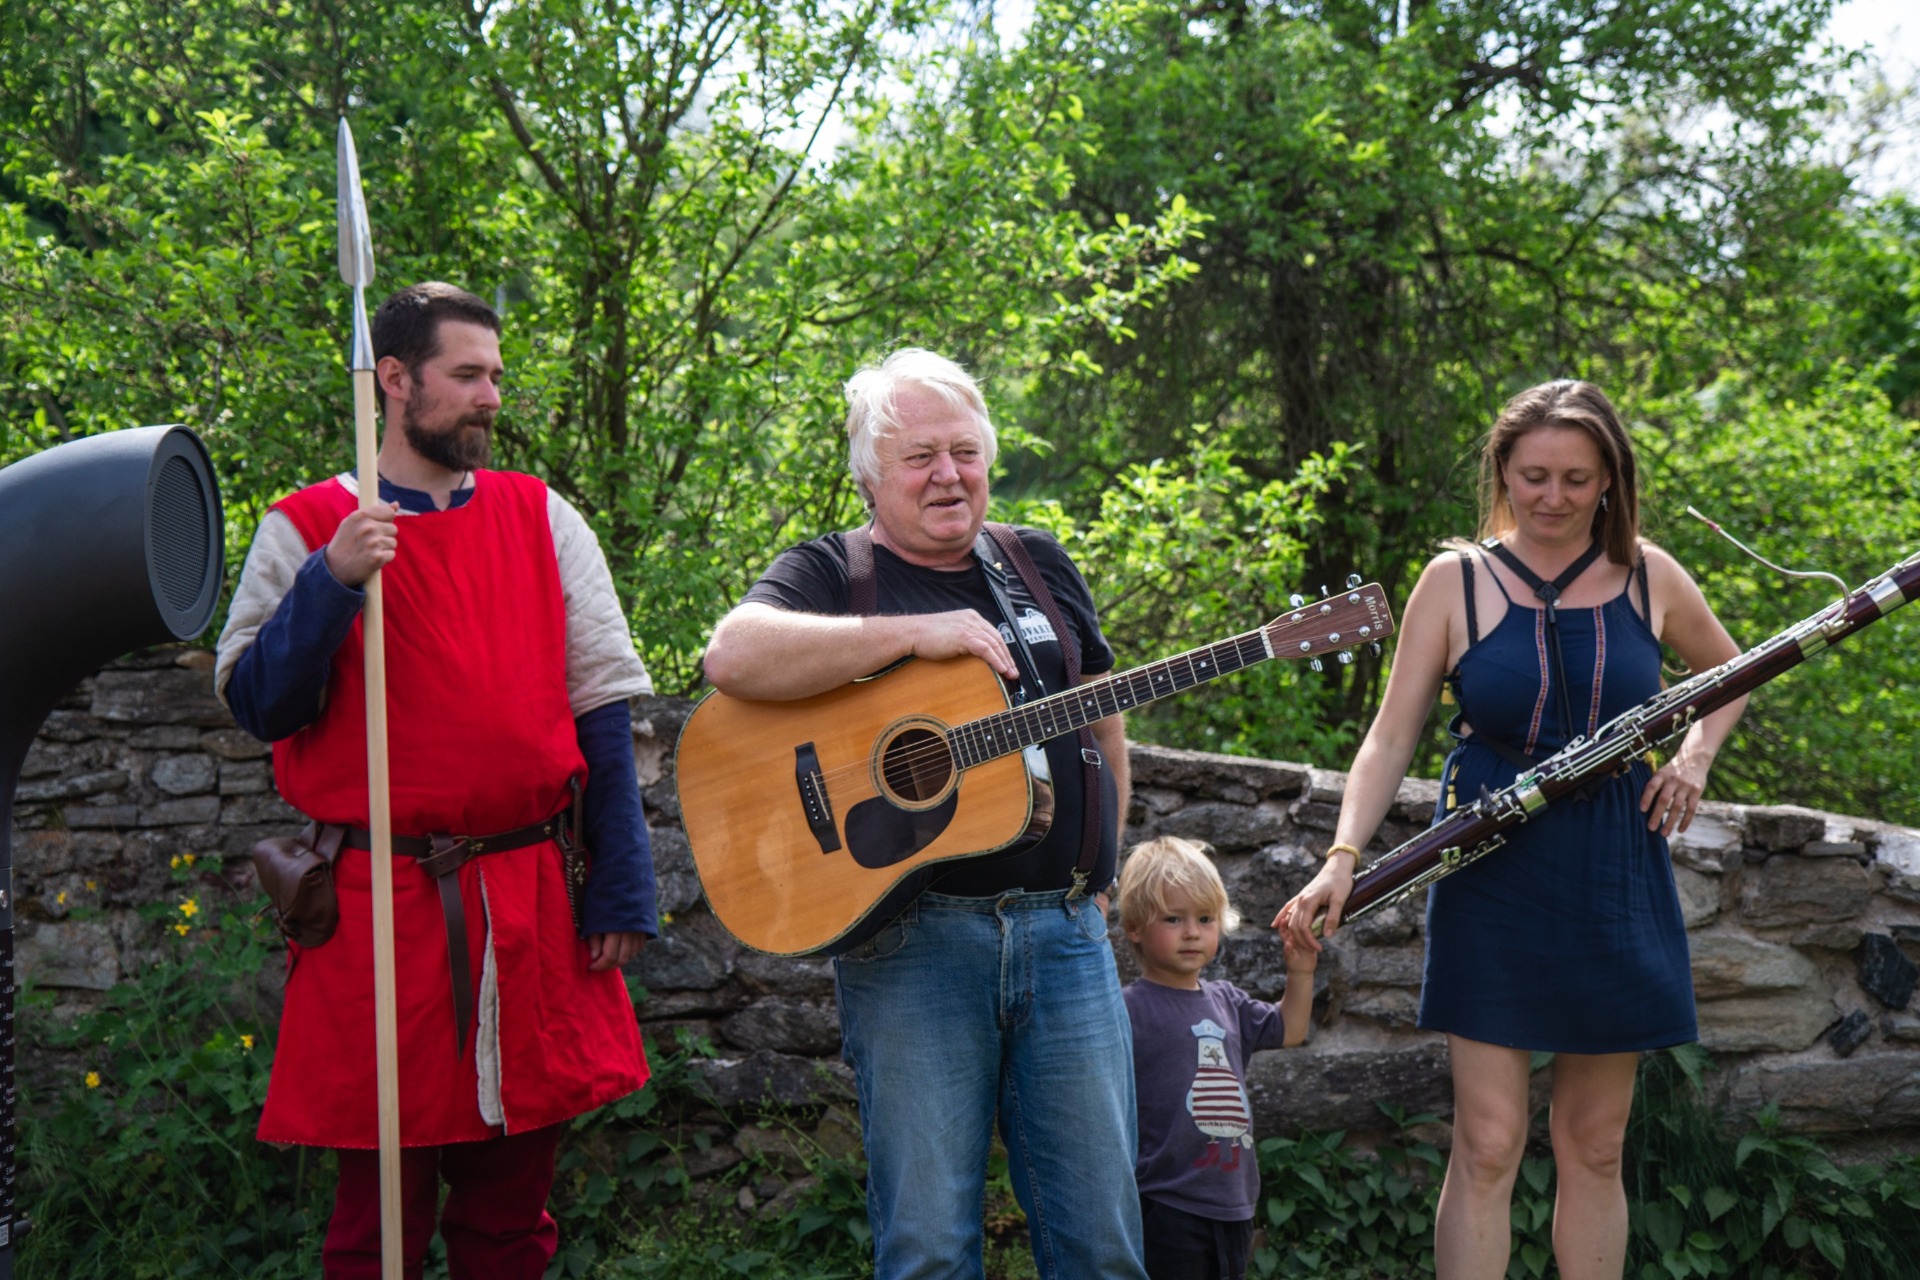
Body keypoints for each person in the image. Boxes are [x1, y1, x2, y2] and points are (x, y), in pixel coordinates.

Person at [214, 282, 656, 1278]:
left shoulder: (542, 516)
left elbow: (603, 707)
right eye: (467, 375)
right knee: (379, 1229)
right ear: (396, 380)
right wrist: (333, 577)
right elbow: (256, 702)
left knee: (511, 1216)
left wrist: (621, 881)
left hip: (529, 901)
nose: (491, 396)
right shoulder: (308, 526)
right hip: (381, 907)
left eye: (496, 375)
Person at [1277, 379, 1746, 1280]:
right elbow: (1390, 733)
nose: (1554, 497)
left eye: (1577, 478)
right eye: (1534, 476)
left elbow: (1731, 672)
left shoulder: (1650, 573)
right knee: (1489, 1141)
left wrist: (1693, 757)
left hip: (1616, 863)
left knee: (1595, 1143)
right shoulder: (1455, 579)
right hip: (1490, 865)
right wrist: (1342, 855)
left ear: (1610, 478)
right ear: (1503, 471)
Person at [701, 347, 1146, 1280]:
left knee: (1102, 1244)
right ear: (870, 475)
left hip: (1068, 937)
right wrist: (915, 633)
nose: (948, 474)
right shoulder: (835, 573)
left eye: (964, 451)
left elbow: (1102, 726)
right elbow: (733, 657)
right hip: (913, 949)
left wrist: (1102, 876)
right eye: (918, 457)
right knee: (930, 1251)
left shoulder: (1039, 563)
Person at [1117, 836, 1315, 1280]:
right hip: (1166, 1202)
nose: (1192, 932)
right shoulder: (1125, 1009)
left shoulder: (1227, 1000)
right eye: (1173, 918)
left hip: (1234, 1203)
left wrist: (1300, 971)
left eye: (1205, 919)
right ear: (1134, 927)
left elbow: (1292, 1029)